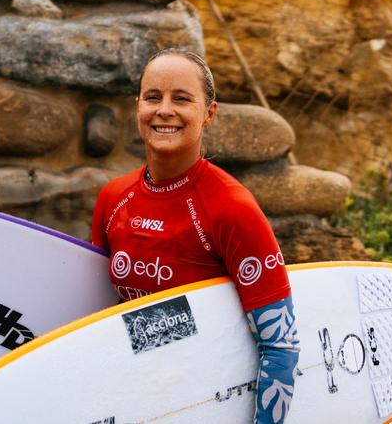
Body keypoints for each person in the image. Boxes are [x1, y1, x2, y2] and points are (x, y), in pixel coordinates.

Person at [91, 48, 300, 424]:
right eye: (153, 97)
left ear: (209, 113)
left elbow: (280, 344)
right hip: (131, 399)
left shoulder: (231, 207)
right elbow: (96, 317)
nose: (164, 110)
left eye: (182, 99)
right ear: (138, 107)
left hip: (203, 403)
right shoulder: (113, 198)